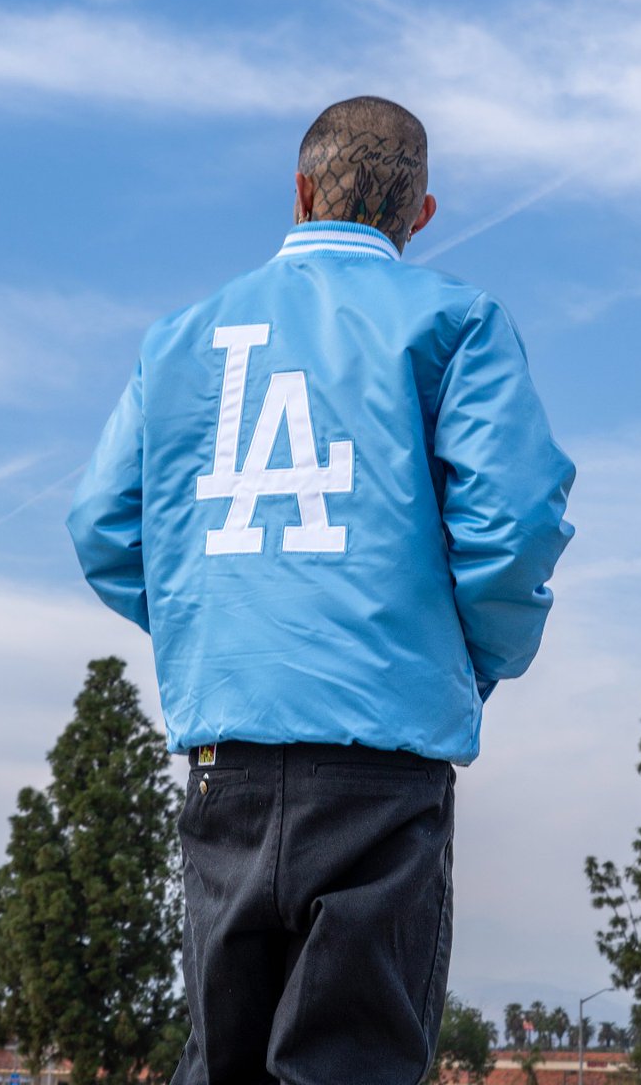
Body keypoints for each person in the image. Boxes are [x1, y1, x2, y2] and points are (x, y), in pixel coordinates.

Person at [67, 96, 575, 1085]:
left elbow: (103, 527)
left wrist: (218, 624)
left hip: (227, 765)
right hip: (382, 765)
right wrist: (476, 661)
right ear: (420, 215)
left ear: (299, 192)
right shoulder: (455, 323)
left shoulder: (177, 341)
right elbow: (512, 524)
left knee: (220, 1066)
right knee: (350, 1063)